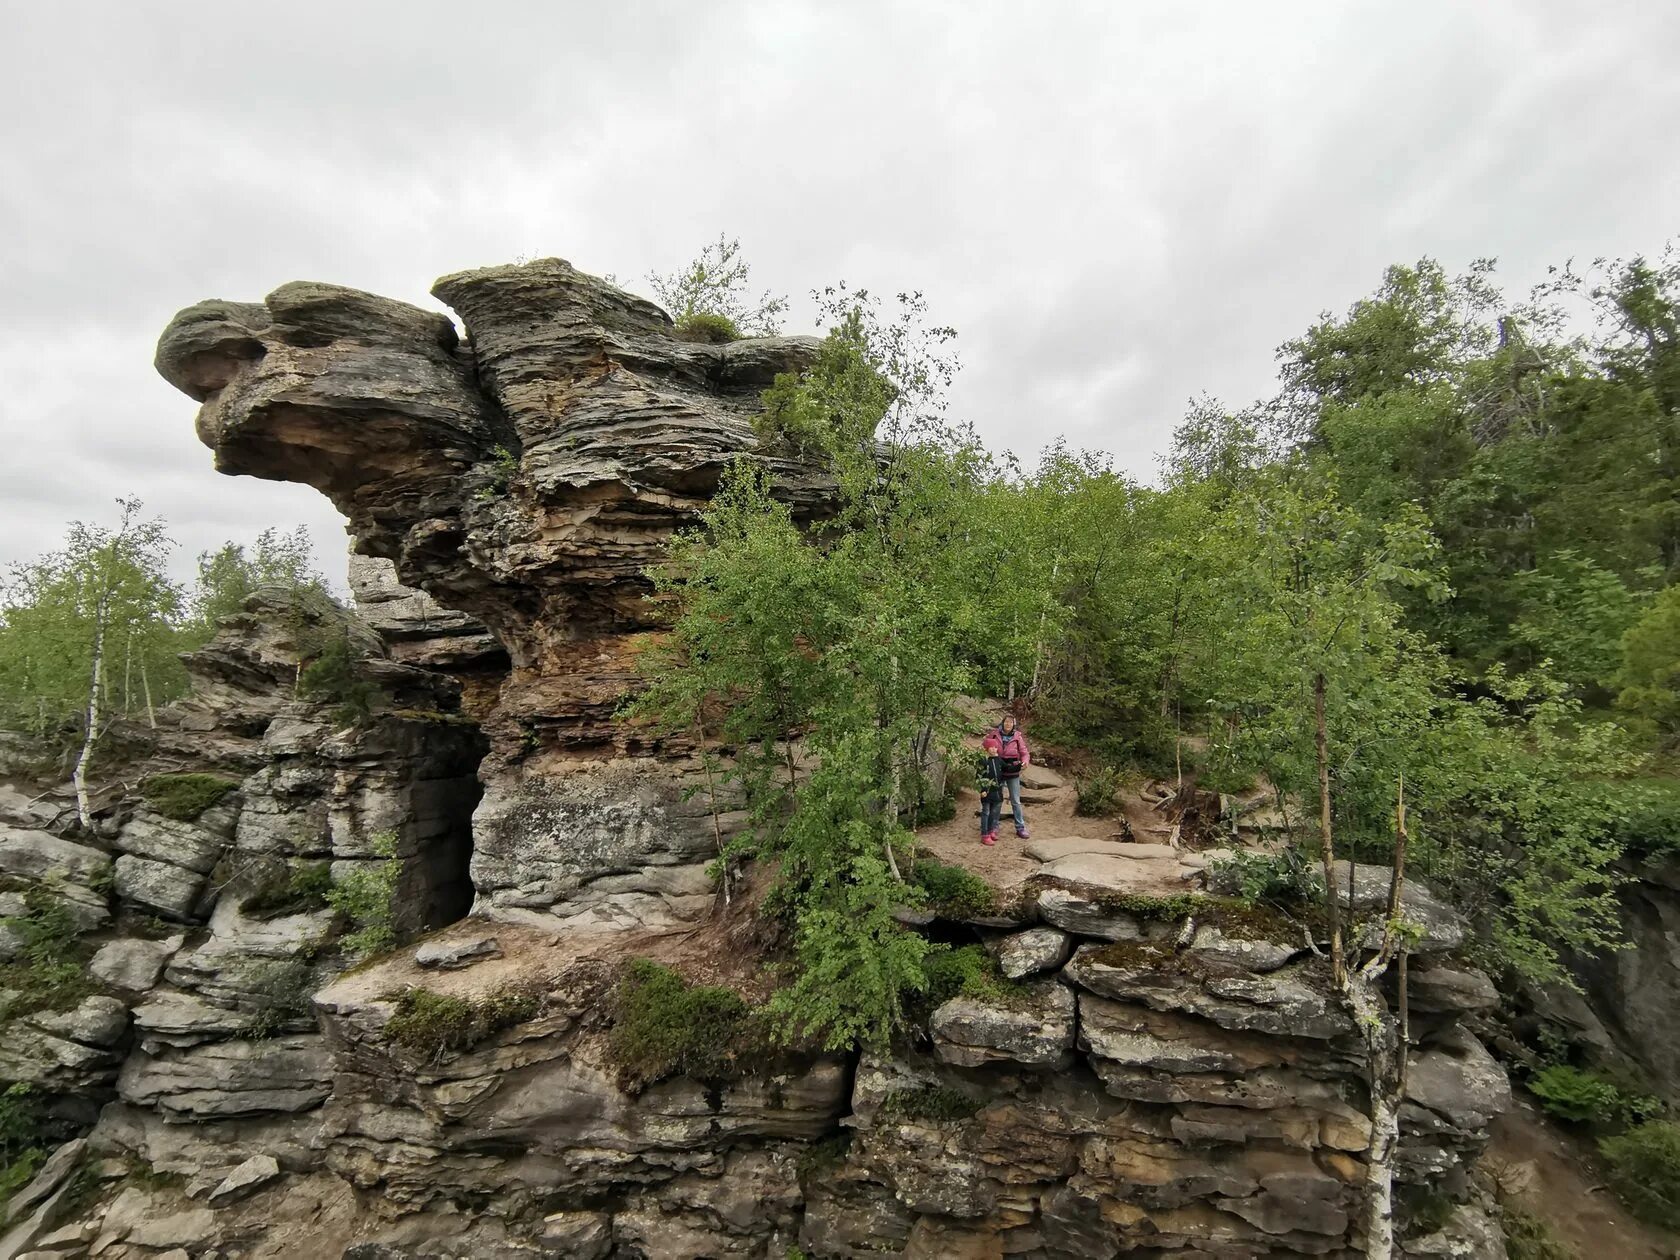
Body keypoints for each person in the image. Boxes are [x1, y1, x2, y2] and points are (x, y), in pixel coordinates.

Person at [993, 713, 1031, 839]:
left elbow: (1024, 752)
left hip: (1013, 771)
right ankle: (994, 826)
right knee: (997, 800)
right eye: (1006, 722)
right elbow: (986, 746)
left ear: (1014, 724)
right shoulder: (995, 734)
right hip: (998, 770)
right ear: (1002, 723)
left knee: (1015, 801)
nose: (1008, 724)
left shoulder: (1017, 736)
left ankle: (1020, 827)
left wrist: (1025, 762)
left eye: (1011, 722)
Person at [978, 729, 1004, 846]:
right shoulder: (983, 761)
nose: (994, 749)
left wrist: (1018, 765)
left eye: (996, 747)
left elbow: (1007, 768)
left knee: (994, 812)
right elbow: (980, 776)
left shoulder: (998, 760)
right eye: (992, 747)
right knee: (986, 812)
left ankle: (991, 830)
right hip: (987, 791)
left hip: (997, 791)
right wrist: (983, 789)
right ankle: (985, 834)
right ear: (987, 749)